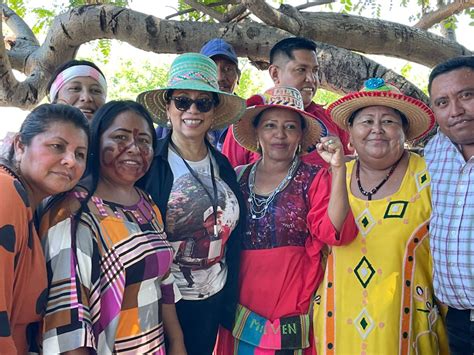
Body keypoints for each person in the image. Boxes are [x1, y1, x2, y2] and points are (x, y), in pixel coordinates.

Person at [215, 86, 358, 355]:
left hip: (292, 294)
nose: (279, 135)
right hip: (240, 295)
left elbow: (334, 231)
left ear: (301, 136)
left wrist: (338, 169)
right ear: (257, 133)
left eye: (290, 127)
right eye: (270, 125)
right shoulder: (237, 176)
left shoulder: (315, 177)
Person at [313, 78, 449, 354]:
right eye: (366, 121)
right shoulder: (330, 177)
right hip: (336, 329)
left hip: (409, 330)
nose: (377, 129)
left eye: (388, 121)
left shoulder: (431, 176)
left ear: (405, 132)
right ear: (349, 133)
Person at [40, 101, 186, 354]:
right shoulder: (73, 213)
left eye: (144, 140)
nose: (134, 149)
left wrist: (177, 343)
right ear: (96, 142)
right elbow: (65, 322)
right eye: (120, 138)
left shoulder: (146, 204)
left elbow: (164, 283)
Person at [136, 53, 246, 355]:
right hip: (160, 302)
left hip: (213, 298)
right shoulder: (148, 164)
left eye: (203, 102)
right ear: (169, 107)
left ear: (213, 111)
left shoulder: (223, 165)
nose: (192, 110)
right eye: (183, 101)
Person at [0, 104, 89, 353]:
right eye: (57, 146)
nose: (70, 160)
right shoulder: (5, 192)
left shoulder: (30, 208)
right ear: (20, 145)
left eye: (80, 154)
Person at [222, 36, 352, 168]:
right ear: (274, 74)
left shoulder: (332, 119)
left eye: (315, 71)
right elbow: (227, 179)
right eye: (301, 70)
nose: (311, 79)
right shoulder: (246, 120)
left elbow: (354, 170)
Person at [425, 56, 474, 354]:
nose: (455, 111)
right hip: (455, 320)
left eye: (466, 96)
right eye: (442, 102)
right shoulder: (434, 151)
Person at [156, 38, 241, 151]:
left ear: (238, 77)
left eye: (228, 69)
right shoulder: (172, 121)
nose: (220, 78)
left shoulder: (246, 120)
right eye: (213, 70)